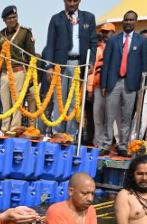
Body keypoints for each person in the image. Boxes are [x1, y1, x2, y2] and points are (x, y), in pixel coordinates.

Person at [43, 0, 97, 137]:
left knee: (74, 102)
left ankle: (71, 135)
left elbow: (93, 42)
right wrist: (49, 66)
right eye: (69, 0)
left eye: (75, 0)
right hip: (60, 65)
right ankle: (57, 133)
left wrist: (91, 61)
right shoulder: (56, 19)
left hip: (78, 64)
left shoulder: (88, 18)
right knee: (59, 100)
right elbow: (50, 44)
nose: (71, 3)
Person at [44, 172, 129, 224]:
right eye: (85, 193)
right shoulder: (56, 210)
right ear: (71, 191)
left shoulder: (90, 209)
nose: (90, 199)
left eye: (92, 193)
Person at [100, 10, 147, 158]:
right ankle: (106, 144)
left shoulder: (141, 41)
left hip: (131, 84)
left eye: (131, 20)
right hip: (113, 82)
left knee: (126, 118)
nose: (128, 22)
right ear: (122, 21)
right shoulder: (114, 40)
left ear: (136, 22)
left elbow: (143, 66)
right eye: (126, 20)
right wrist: (103, 84)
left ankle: (122, 146)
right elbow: (106, 63)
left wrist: (141, 86)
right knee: (109, 115)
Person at [0, 5, 35, 133]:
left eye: (15, 17)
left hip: (18, 70)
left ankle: (13, 129)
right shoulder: (1, 34)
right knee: (5, 103)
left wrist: (30, 75)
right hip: (4, 72)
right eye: (10, 18)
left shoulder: (25, 32)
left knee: (17, 103)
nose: (13, 20)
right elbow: (0, 55)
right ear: (4, 20)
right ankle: (4, 128)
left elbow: (31, 55)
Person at [86, 23, 115, 152]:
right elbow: (92, 71)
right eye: (103, 32)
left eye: (107, 32)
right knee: (97, 116)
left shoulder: (117, 48)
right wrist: (90, 89)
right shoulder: (98, 50)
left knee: (111, 117)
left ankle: (110, 143)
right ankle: (97, 142)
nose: (105, 34)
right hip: (98, 86)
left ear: (113, 33)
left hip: (113, 87)